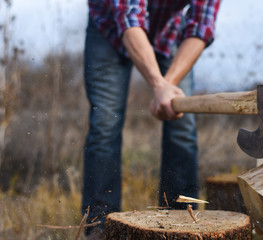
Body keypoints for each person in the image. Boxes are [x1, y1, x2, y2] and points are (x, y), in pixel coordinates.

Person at [82, 0, 221, 238]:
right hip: (109, 26)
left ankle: (180, 228)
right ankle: (100, 229)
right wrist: (159, 85)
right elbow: (129, 17)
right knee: (105, 123)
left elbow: (201, 25)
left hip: (168, 30)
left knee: (182, 125)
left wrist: (168, 86)